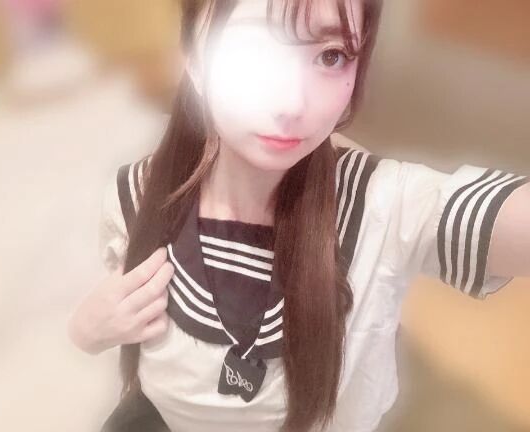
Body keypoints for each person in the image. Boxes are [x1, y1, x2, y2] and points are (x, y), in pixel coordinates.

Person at [67, 0, 530, 431]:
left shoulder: (383, 205)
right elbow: (128, 326)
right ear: (195, 59)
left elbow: (493, 218)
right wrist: (87, 330)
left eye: (331, 56)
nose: (292, 104)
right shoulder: (137, 195)